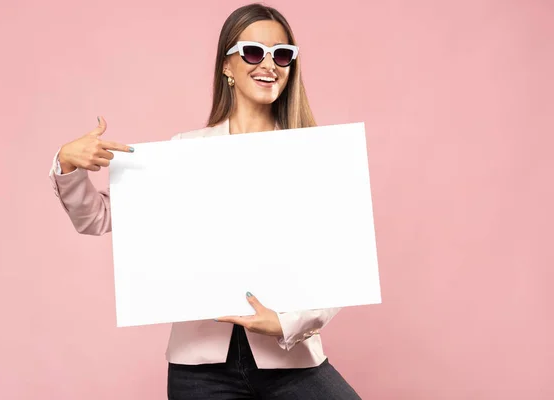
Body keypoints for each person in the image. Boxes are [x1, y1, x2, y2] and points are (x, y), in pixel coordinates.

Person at [49, 3, 362, 399]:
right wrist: (68, 166)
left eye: (282, 54)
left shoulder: (311, 155)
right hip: (200, 370)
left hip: (290, 361)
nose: (269, 64)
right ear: (227, 66)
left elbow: (340, 263)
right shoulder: (184, 152)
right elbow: (97, 218)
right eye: (253, 51)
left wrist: (287, 322)